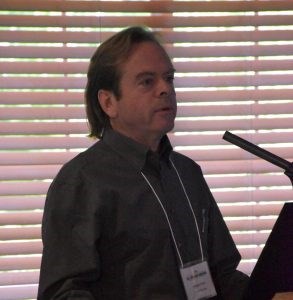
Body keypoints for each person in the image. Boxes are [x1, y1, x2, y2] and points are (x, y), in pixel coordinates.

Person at [38, 26, 249, 300]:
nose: (165, 89)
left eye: (169, 78)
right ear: (109, 102)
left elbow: (223, 276)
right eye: (147, 81)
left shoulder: (187, 172)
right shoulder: (82, 181)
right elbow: (63, 294)